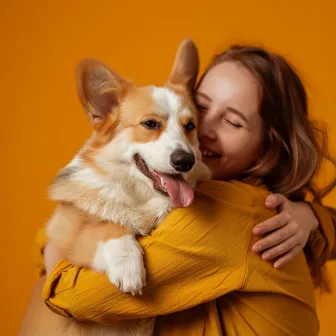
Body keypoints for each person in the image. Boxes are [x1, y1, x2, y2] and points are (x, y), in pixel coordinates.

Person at [19, 44, 336, 335]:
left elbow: (77, 297)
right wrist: (315, 216)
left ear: (266, 150)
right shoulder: (252, 204)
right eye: (200, 107)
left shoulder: (230, 211)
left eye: (233, 122)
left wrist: (55, 255)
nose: (201, 131)